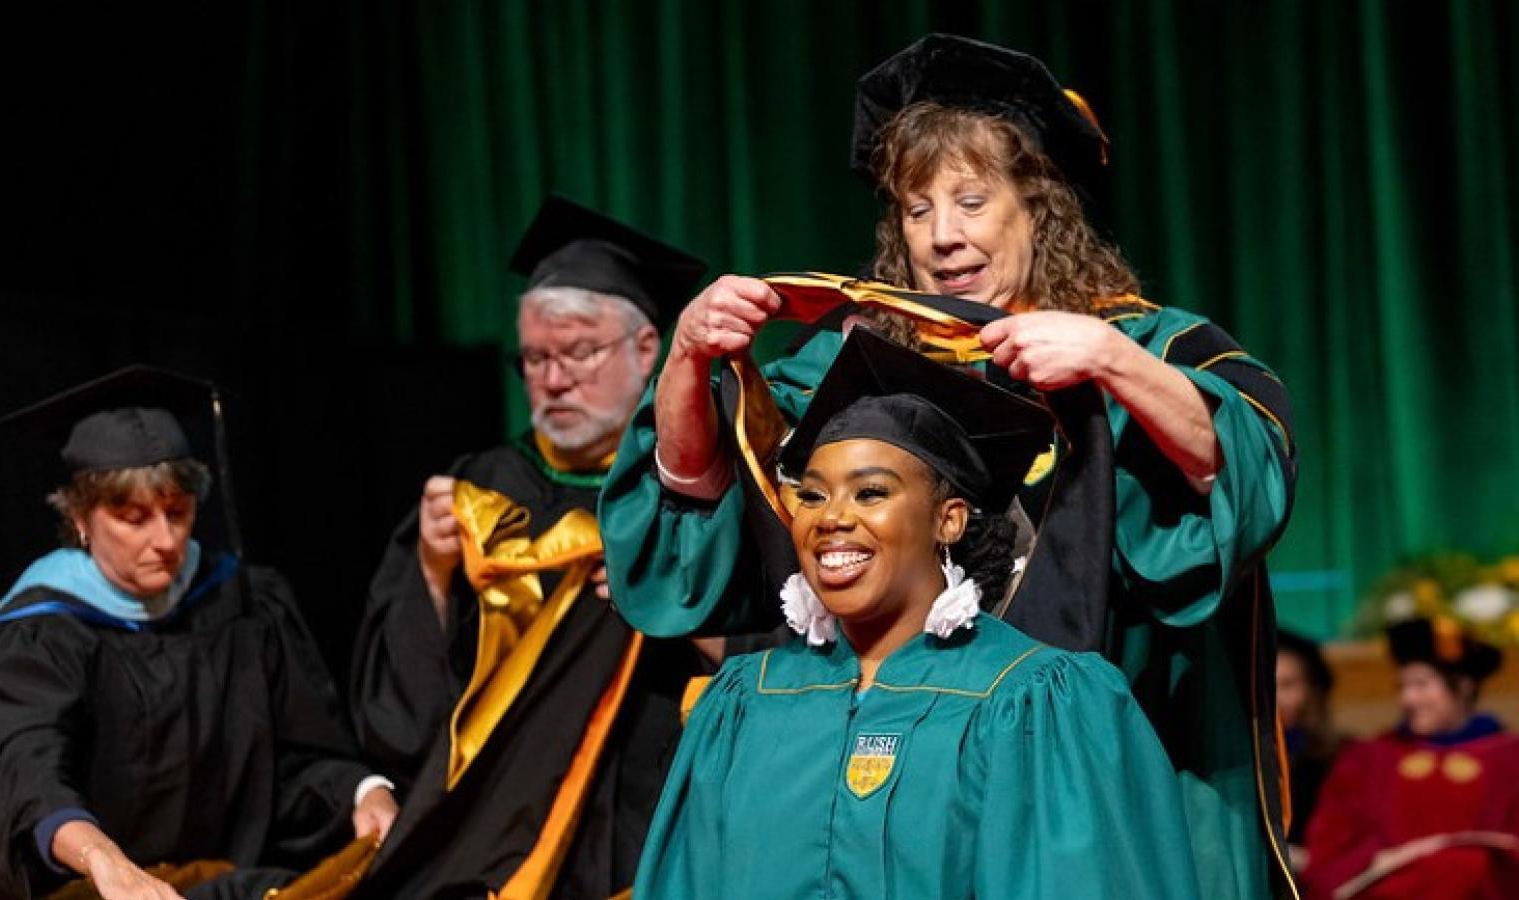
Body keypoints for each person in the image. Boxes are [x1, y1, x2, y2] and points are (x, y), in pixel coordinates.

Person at [601, 34, 1299, 899]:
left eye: (971, 201)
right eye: (916, 209)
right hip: (900, 795)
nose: (942, 238)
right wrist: (687, 361)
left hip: (1113, 766)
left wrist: (1112, 362)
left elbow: (1244, 476)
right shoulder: (857, 362)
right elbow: (704, 505)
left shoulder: (1154, 345)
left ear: (1038, 208)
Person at [636, 327, 1199, 899]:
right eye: (811, 495)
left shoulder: (1033, 701)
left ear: (948, 520)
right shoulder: (746, 702)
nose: (831, 518)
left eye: (870, 493)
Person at [349, 196, 714, 899]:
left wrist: (679, 596)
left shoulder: (698, 485)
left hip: (653, 811)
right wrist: (431, 572)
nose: (552, 379)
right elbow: (406, 721)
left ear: (646, 350)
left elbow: (778, 644)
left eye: (577, 351)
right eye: (535, 357)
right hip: (499, 834)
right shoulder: (483, 488)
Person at [0, 366, 395, 900]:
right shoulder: (39, 634)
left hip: (221, 883)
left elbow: (299, 760)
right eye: (133, 517)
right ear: (81, 516)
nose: (165, 540)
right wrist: (103, 860)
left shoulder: (242, 606)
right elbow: (28, 778)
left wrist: (363, 792)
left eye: (177, 511)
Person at [1303, 618, 1519, 899]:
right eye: (1402, 686)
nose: (1408, 698)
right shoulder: (1369, 759)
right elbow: (1331, 845)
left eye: (1421, 684)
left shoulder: (1509, 758)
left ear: (1464, 686)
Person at [1277, 627, 1347, 867]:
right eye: (1268, 686)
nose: (1276, 698)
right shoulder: (1243, 763)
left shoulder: (1340, 759)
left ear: (1311, 690)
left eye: (1288, 685)